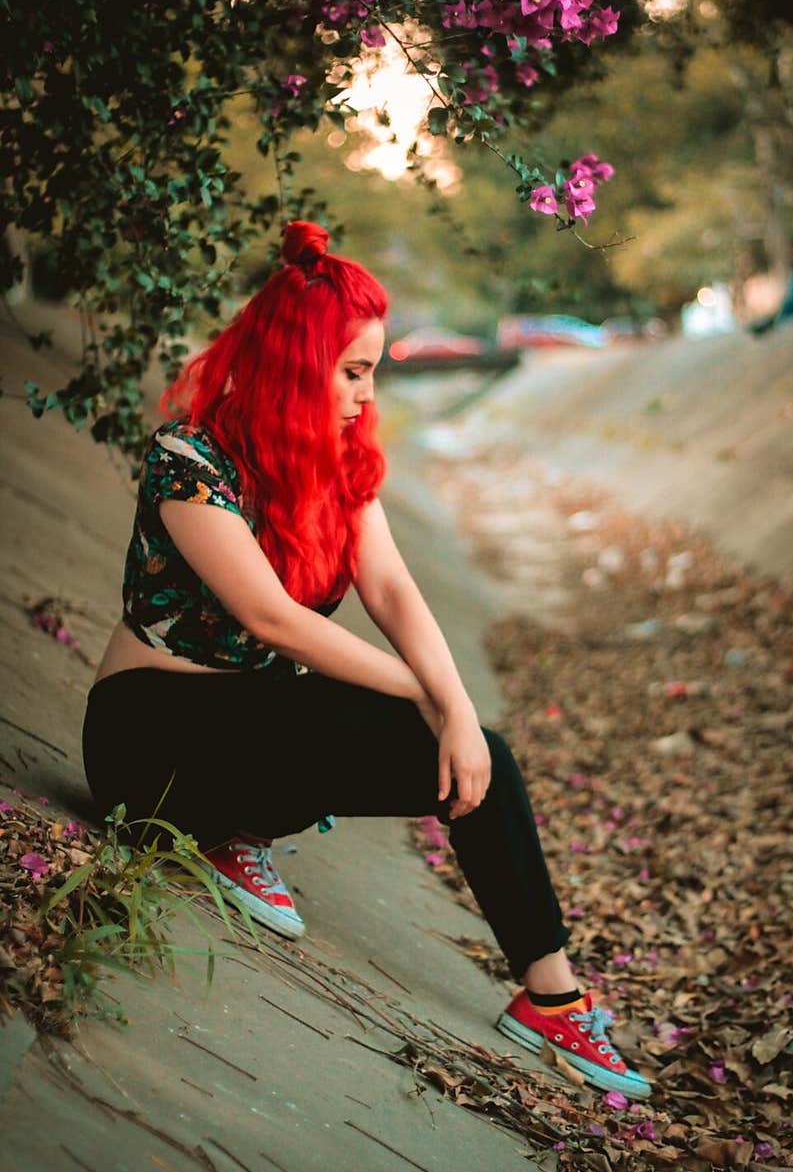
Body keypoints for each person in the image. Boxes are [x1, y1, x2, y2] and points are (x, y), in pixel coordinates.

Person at [81, 220, 651, 1101]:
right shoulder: (187, 461)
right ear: (295, 363)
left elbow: (391, 591)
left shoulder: (335, 466)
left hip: (252, 724)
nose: (364, 393)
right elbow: (275, 620)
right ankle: (222, 831)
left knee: (481, 754)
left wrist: (456, 711)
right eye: (353, 370)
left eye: (372, 371)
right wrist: (430, 698)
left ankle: (552, 998)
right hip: (144, 740)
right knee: (337, 695)